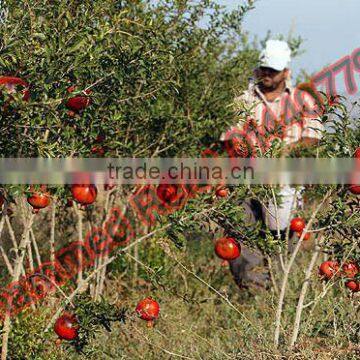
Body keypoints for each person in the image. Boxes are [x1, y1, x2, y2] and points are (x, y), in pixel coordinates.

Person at [220, 39, 324, 289]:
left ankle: (278, 290)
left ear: (286, 72)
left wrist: (288, 150)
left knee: (280, 238)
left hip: (284, 183)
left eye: (273, 71)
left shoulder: (301, 101)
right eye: (264, 69)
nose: (267, 74)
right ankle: (253, 288)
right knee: (239, 230)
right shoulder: (243, 101)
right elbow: (227, 139)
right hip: (246, 180)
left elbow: (313, 137)